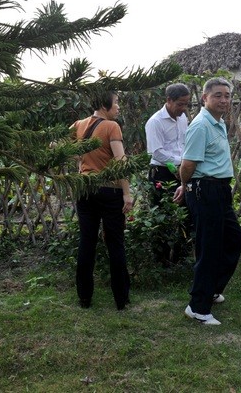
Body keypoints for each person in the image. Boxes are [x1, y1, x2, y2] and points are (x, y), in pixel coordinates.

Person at [175, 77, 241, 325]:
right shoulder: (201, 125)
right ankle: (198, 307)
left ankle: (211, 289)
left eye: (227, 95)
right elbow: (187, 164)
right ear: (205, 98)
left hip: (219, 189)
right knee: (209, 248)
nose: (224, 100)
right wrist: (186, 185)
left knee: (234, 239)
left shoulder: (218, 122)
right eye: (218, 95)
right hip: (206, 191)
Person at [71, 91, 133, 310]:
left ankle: (84, 297)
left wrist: (81, 163)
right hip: (109, 191)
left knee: (87, 242)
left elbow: (60, 147)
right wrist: (127, 193)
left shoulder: (78, 125)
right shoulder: (111, 126)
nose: (118, 107)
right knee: (115, 243)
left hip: (85, 190)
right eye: (116, 103)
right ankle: (121, 298)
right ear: (105, 106)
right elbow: (121, 162)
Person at [145, 83, 192, 265]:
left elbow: (184, 144)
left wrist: (185, 166)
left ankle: (181, 258)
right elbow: (156, 152)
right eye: (180, 104)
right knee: (162, 214)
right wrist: (178, 165)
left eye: (186, 104)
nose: (183, 108)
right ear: (169, 100)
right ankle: (161, 261)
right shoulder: (155, 122)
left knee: (185, 213)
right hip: (162, 173)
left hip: (182, 170)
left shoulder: (182, 118)